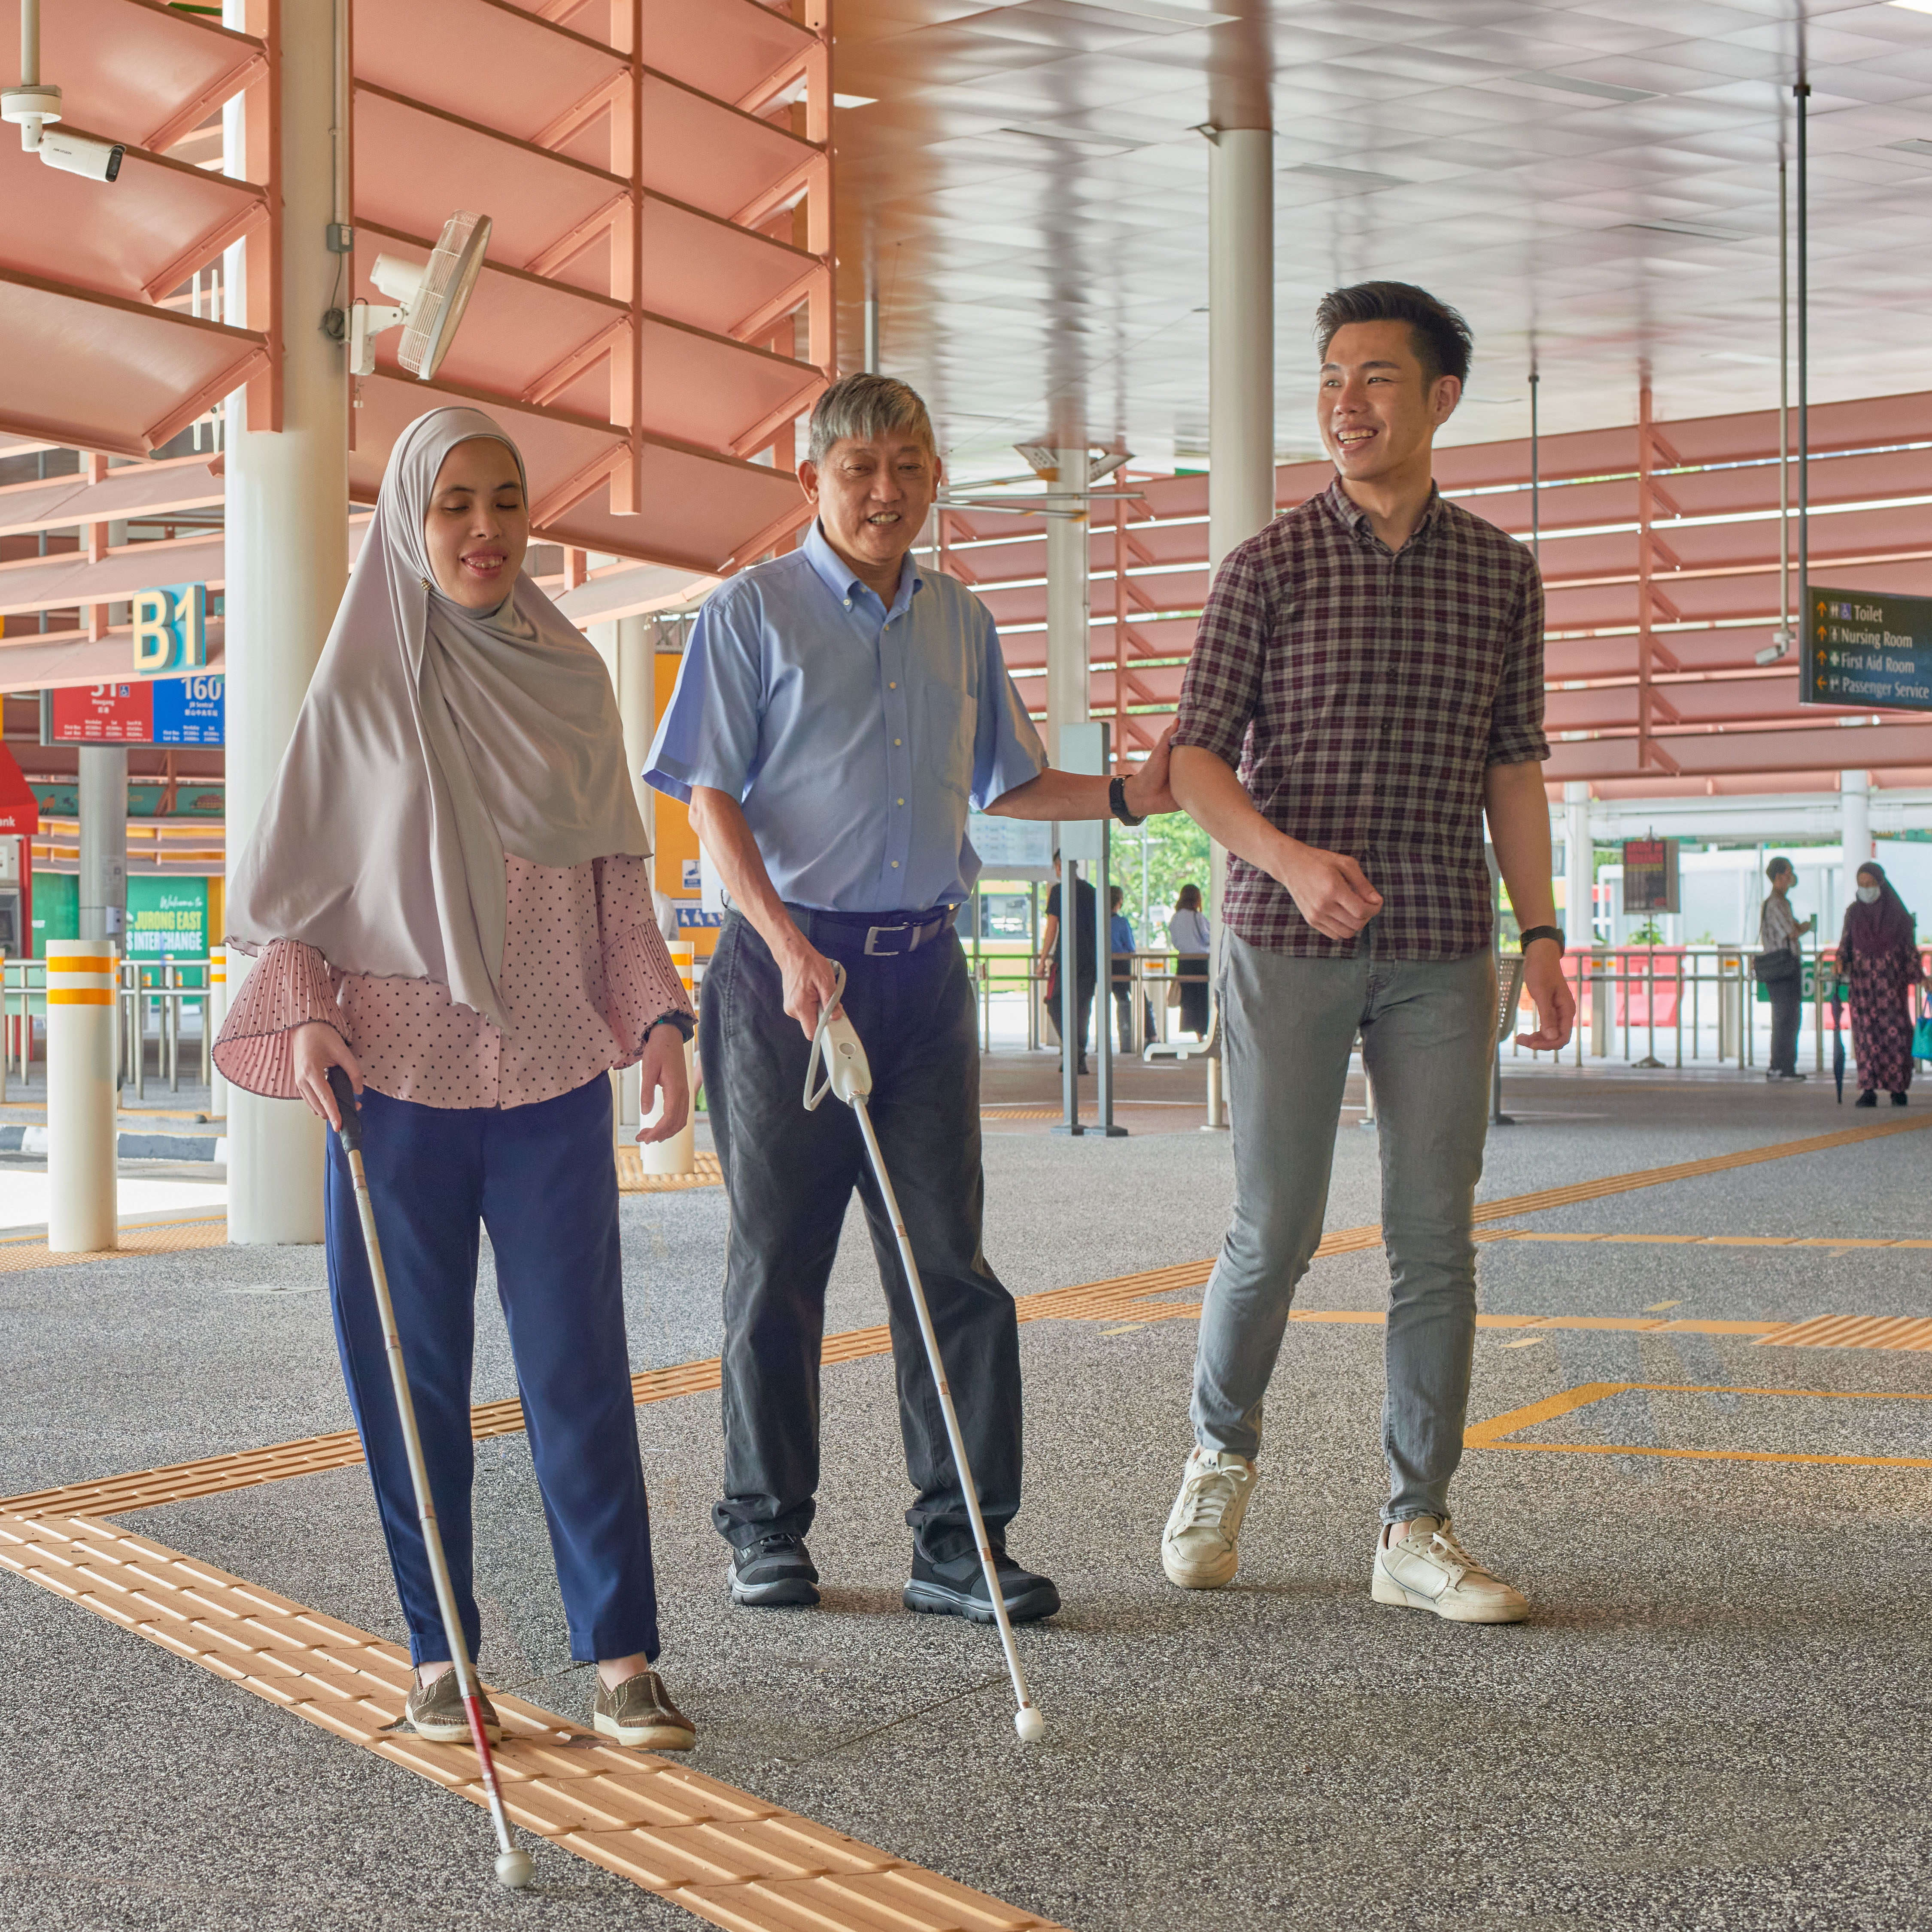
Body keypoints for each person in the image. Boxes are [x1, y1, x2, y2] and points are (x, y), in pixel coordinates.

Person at [644, 372, 1175, 1622]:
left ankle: (963, 1544)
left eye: (908, 467)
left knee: (951, 1267)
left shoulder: (960, 621)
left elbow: (1010, 781)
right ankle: (766, 1530)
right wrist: (780, 943)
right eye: (858, 469)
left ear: (936, 477)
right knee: (780, 1260)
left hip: (925, 978)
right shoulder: (753, 613)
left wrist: (1135, 796)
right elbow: (706, 797)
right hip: (786, 983)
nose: (885, 492)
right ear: (815, 481)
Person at [214, 407, 699, 1752]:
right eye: (453, 506)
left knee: (579, 1373)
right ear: (409, 523)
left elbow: (617, 881)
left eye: (506, 500)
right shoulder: (360, 687)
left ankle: (623, 1659)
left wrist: (658, 1021)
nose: (484, 529)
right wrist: (307, 1017)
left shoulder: (572, 674)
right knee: (405, 1379)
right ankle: (442, 1657)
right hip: (396, 1089)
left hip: (547, 1079)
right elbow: (293, 901)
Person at [1158, 281, 1575, 1623]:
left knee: (1433, 1240)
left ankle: (1416, 1524)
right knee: (1272, 1228)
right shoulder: (1268, 566)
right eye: (1332, 377)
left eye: (1377, 378)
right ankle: (1220, 1456)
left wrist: (1545, 937)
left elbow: (1514, 767)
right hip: (1284, 938)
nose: (1346, 402)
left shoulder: (1501, 573)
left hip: (1446, 946)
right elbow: (1191, 764)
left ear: (1441, 398)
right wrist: (1284, 857)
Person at [1838, 862, 1921, 1106]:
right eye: (1861, 884)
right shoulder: (1853, 913)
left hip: (1891, 987)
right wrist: (1841, 961)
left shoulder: (1899, 916)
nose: (1866, 889)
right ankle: (1868, 1089)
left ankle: (1898, 1089)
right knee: (1866, 1038)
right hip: (1862, 988)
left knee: (1897, 1036)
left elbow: (1909, 951)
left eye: (1870, 883)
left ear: (1881, 884)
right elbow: (1846, 943)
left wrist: (1921, 977)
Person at [1038, 851, 1097, 1073]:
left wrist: (1043, 960)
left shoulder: (1059, 891)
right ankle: (1078, 1058)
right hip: (1090, 960)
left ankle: (1074, 1053)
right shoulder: (1092, 892)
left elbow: (1052, 927)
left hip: (1066, 959)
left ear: (1060, 866)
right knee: (1083, 1009)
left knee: (1055, 1004)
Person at [1759, 856, 1814, 1082]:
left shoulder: (1776, 902)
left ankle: (1780, 1066)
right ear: (1780, 876)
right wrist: (1805, 927)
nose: (1792, 877)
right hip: (1783, 966)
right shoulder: (1777, 903)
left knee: (1785, 1016)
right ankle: (1783, 1067)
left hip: (1781, 966)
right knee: (1787, 1017)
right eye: (1789, 872)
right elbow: (1790, 931)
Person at [1109, 885, 1153, 1054]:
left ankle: (1125, 1039)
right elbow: (1130, 948)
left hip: (1104, 966)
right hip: (1122, 965)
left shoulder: (1097, 921)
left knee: (1121, 1000)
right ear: (1120, 901)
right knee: (1140, 998)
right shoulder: (1121, 922)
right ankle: (1151, 1036)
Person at [1168, 883, 1212, 1038]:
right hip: (1200, 962)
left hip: (1184, 962)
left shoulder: (1176, 918)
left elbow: (1175, 941)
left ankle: (1196, 1034)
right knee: (1202, 1000)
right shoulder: (1198, 917)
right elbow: (1208, 938)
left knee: (1189, 1000)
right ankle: (1202, 1032)